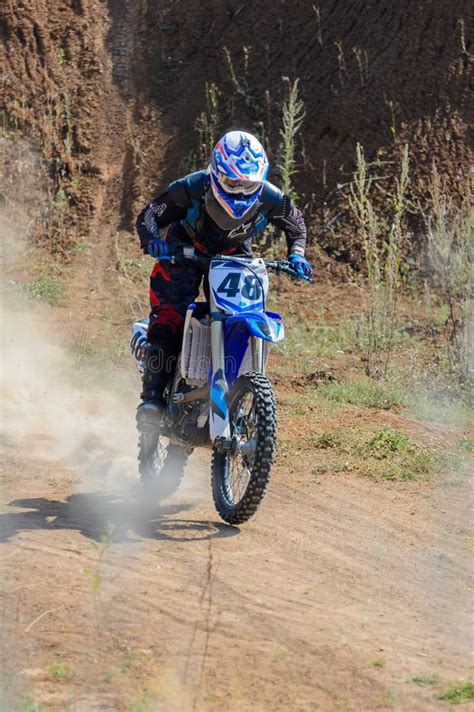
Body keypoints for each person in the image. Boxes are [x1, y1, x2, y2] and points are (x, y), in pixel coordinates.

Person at [135, 130, 312, 430]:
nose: (241, 191)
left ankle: (237, 384)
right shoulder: (193, 187)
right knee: (170, 316)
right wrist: (152, 240)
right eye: (232, 182)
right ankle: (152, 396)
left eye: (249, 184)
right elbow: (151, 214)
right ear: (217, 173)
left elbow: (295, 223)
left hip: (235, 253)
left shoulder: (269, 196)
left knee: (243, 316)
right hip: (186, 250)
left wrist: (297, 253)